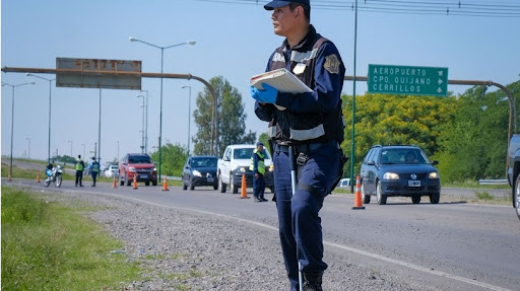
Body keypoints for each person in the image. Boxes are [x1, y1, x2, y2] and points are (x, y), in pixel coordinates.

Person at [251, 0, 346, 290]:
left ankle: (312, 280)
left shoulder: (324, 51)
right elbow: (265, 112)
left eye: (279, 10)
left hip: (319, 152)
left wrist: (282, 98)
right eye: (272, 11)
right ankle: (296, 286)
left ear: (298, 12)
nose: (274, 16)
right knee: (286, 227)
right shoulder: (276, 57)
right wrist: (262, 99)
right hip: (282, 152)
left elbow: (326, 100)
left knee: (303, 208)